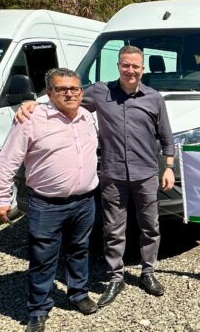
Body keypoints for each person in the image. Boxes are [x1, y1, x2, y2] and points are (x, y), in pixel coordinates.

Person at [17, 45, 176, 307]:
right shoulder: (101, 92)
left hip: (146, 173)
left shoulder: (154, 98)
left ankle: (148, 272)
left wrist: (168, 167)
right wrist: (35, 104)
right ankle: (116, 277)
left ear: (142, 68)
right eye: (126, 65)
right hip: (112, 175)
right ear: (118, 66)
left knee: (150, 226)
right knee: (114, 229)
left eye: (135, 66)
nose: (130, 70)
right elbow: (67, 100)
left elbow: (166, 136)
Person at [0, 68, 100, 332]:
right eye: (62, 89)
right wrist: (0, 197)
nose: (70, 93)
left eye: (75, 88)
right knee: (42, 258)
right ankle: (38, 309)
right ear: (49, 93)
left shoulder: (87, 117)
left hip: (84, 201)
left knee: (79, 250)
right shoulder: (31, 118)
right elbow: (8, 160)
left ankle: (78, 293)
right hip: (46, 204)